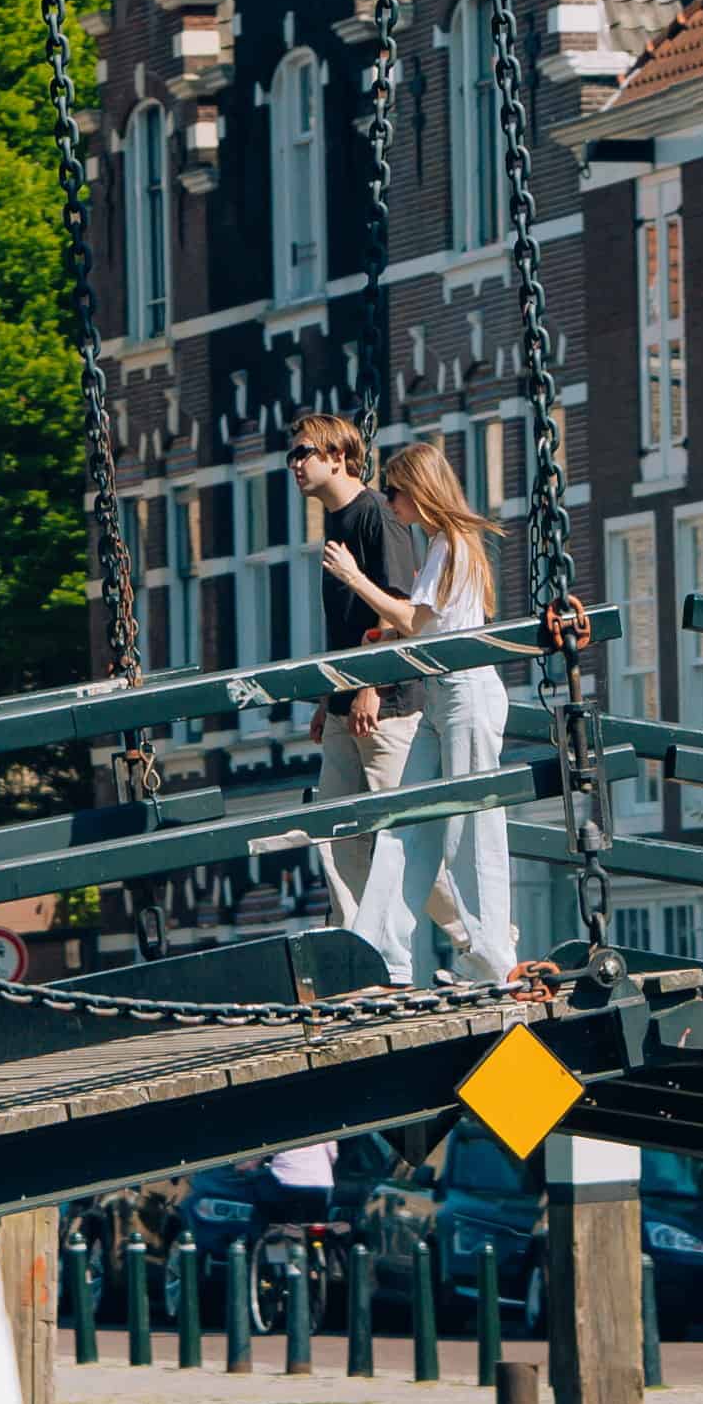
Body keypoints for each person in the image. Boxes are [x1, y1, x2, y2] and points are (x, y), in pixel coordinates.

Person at [375, 435, 520, 990]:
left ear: (418, 490)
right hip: (442, 695)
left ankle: (491, 957)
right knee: (404, 819)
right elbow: (428, 624)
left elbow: (416, 621)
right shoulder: (444, 546)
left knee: (470, 825)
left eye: (395, 492)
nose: (390, 503)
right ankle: (384, 952)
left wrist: (357, 580)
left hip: (464, 694)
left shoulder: (451, 543)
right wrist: (391, 626)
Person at [291, 409, 425, 981]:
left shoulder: (376, 518)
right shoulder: (335, 521)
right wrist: (329, 698)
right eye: (292, 454)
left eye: (304, 453)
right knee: (337, 834)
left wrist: (372, 682)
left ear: (339, 457)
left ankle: (487, 948)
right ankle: (358, 968)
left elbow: (399, 610)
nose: (294, 464)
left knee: (404, 837)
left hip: (387, 706)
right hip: (347, 704)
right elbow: (345, 623)